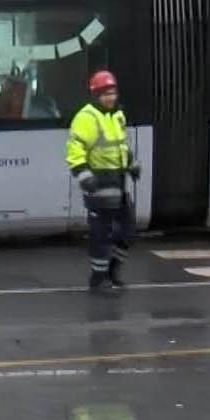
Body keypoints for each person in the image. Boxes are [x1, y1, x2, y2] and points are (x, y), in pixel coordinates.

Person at [65, 69, 140, 294]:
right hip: (97, 183)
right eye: (105, 93)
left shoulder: (117, 115)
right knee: (102, 234)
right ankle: (98, 279)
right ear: (96, 95)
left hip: (117, 181)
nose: (110, 97)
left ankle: (112, 272)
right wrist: (84, 175)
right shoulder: (86, 117)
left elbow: (121, 146)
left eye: (113, 92)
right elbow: (74, 149)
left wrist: (131, 164)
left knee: (128, 231)